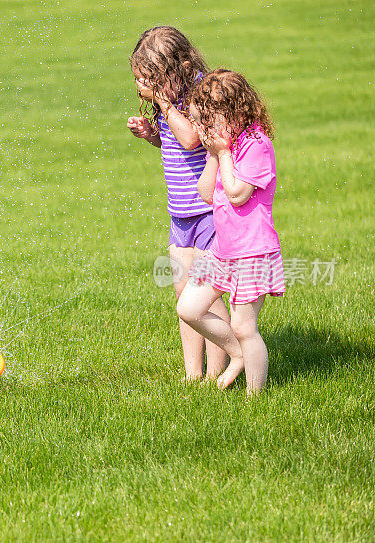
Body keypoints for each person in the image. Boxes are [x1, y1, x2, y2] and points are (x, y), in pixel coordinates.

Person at [127, 26, 230, 381]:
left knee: (208, 296)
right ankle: (192, 375)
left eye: (153, 79)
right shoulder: (168, 99)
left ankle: (220, 374)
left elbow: (190, 140)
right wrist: (152, 134)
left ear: (180, 67)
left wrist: (165, 104)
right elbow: (172, 144)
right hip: (181, 213)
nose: (148, 88)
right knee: (184, 291)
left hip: (208, 212)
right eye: (143, 81)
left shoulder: (200, 94)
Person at [178, 69, 285, 393]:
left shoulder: (256, 144)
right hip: (224, 250)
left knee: (243, 326)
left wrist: (223, 153)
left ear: (230, 114)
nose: (199, 130)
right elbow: (208, 194)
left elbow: (238, 194)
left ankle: (256, 397)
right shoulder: (226, 145)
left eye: (204, 122)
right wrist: (214, 154)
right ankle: (238, 355)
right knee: (188, 308)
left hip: (253, 252)